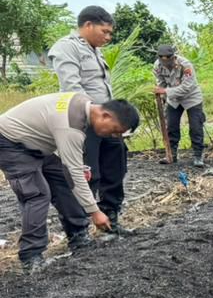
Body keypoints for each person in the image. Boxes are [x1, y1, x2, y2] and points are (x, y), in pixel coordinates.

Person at [0, 93, 138, 271]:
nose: (114, 136)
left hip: (35, 143)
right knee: (37, 194)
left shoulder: (83, 103)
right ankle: (31, 256)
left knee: (63, 182)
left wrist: (77, 167)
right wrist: (95, 212)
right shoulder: (71, 126)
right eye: (115, 130)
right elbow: (73, 172)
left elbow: (59, 143)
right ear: (106, 115)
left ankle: (78, 236)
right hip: (9, 142)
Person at [49, 6, 130, 234]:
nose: (108, 37)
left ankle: (111, 219)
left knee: (116, 168)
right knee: (87, 174)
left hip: (107, 122)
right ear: (88, 25)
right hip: (86, 122)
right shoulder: (67, 48)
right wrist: (94, 114)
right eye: (104, 31)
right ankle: (81, 231)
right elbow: (71, 87)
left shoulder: (96, 50)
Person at [153, 44, 205, 168]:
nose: (165, 61)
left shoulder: (185, 65)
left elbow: (187, 87)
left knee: (196, 126)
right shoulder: (157, 66)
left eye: (168, 58)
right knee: (171, 126)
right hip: (173, 98)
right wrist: (164, 96)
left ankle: (198, 156)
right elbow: (161, 83)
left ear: (173, 56)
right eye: (162, 58)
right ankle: (171, 154)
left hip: (191, 97)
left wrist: (165, 91)